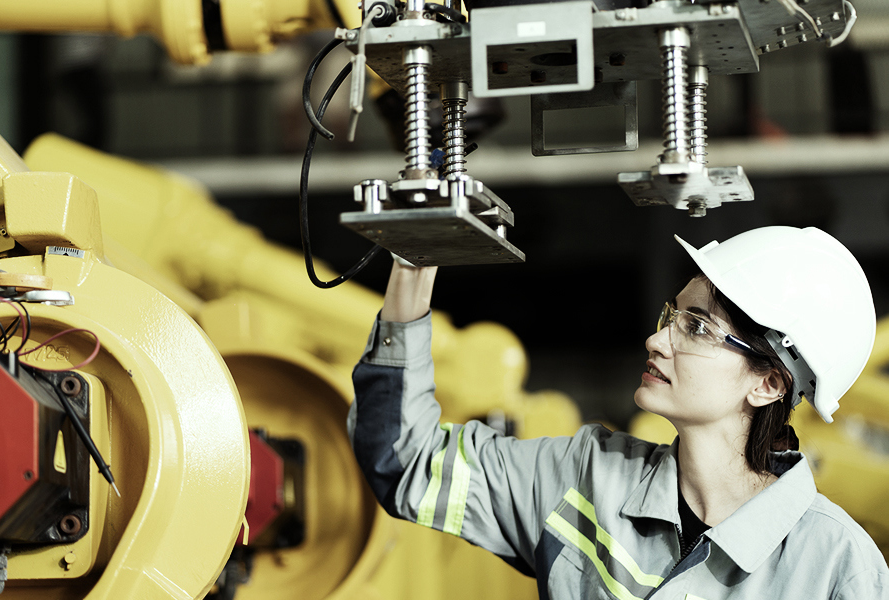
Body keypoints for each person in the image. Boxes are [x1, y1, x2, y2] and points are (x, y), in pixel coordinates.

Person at [347, 226, 889, 599]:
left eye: (696, 327)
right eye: (672, 316)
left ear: (768, 383)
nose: (656, 340)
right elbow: (407, 461)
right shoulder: (583, 478)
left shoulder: (838, 567)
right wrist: (413, 265)